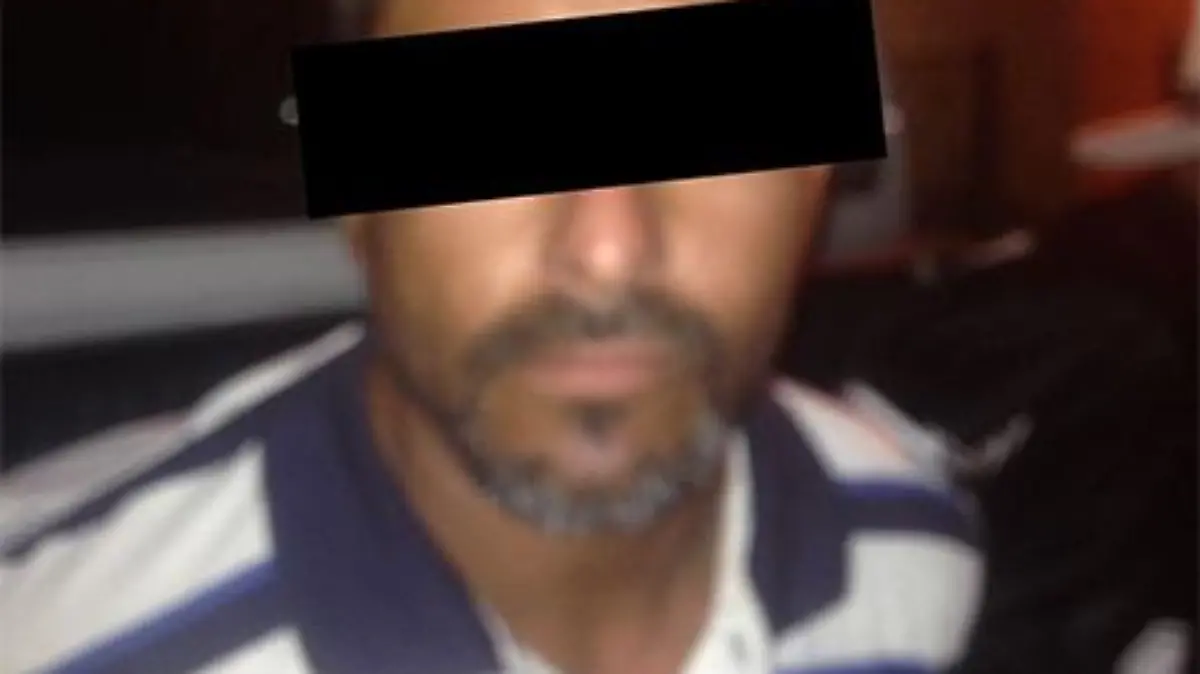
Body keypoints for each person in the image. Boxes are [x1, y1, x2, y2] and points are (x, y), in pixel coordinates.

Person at [0, 2, 984, 673]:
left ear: (813, 182)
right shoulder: (62, 636)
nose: (607, 249)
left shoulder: (910, 549)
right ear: (356, 201)